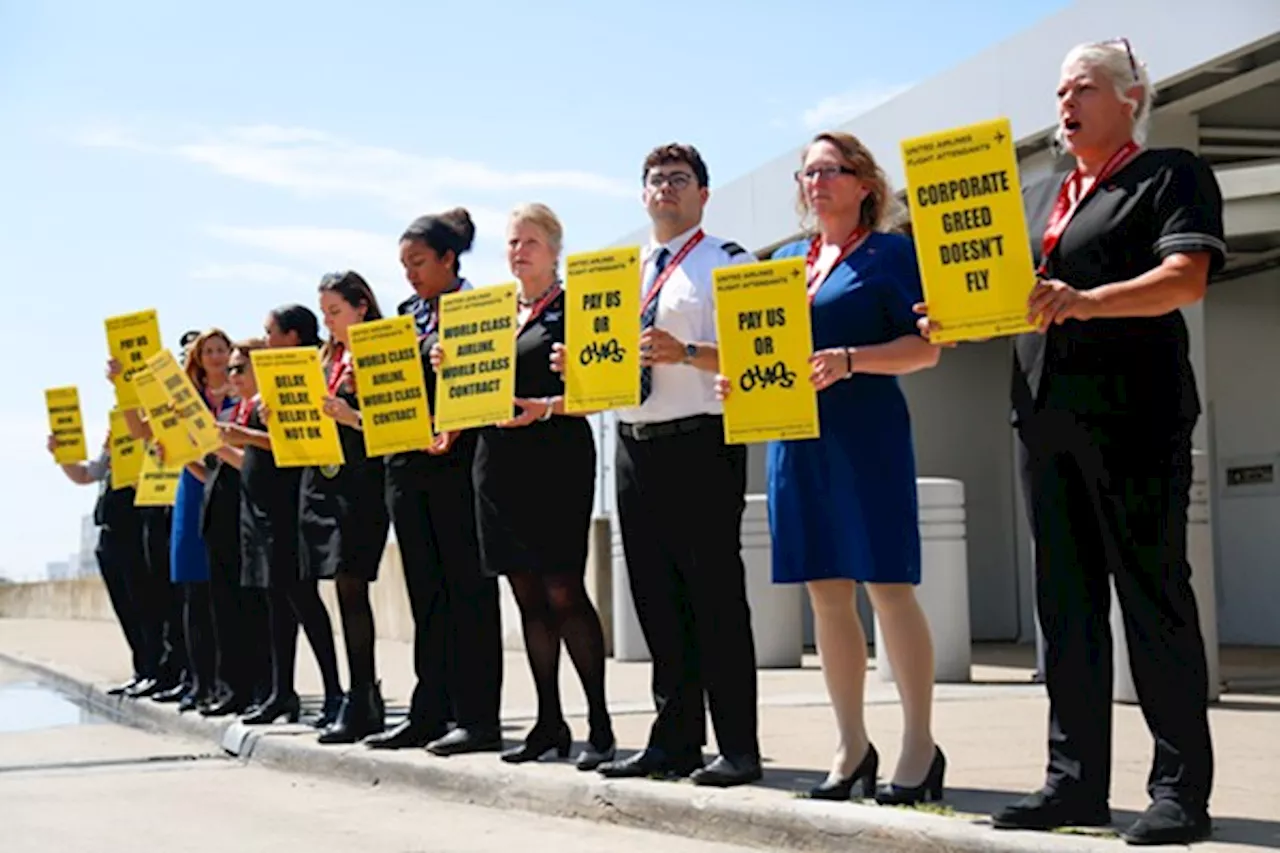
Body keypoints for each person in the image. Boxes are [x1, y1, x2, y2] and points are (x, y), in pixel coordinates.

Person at [917, 39, 1221, 846]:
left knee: (1153, 599)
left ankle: (1180, 788)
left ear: (1132, 95)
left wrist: (1086, 300)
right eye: (1059, 91)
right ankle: (1075, 782)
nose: (1065, 102)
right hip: (1042, 419)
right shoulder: (1040, 195)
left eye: (1082, 87)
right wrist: (954, 314)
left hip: (1136, 416)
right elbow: (1014, 299)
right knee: (1066, 607)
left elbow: (1184, 278)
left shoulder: (1168, 174)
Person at [719, 132, 944, 804]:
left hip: (866, 433)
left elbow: (925, 350)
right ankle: (851, 745)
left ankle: (919, 745)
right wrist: (741, 380)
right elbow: (758, 347)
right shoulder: (785, 260)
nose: (816, 182)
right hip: (796, 440)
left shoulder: (892, 253)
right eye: (808, 172)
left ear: (864, 183)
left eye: (831, 170)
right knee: (824, 591)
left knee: (887, 585)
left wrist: (850, 359)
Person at [586, 143, 761, 787]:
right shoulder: (620, 274)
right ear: (642, 195)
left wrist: (684, 350)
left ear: (703, 195)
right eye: (654, 180)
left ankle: (739, 747)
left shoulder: (727, 261)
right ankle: (674, 740)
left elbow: (756, 353)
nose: (665, 188)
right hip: (634, 443)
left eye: (678, 179)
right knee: (656, 600)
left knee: (714, 598)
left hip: (702, 444)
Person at [437, 204, 613, 768]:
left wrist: (549, 406)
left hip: (556, 455)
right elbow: (469, 389)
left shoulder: (576, 307)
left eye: (531, 241)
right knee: (527, 597)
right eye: (513, 242)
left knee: (564, 589)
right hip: (497, 462)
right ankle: (547, 722)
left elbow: (605, 388)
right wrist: (448, 364)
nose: (519, 251)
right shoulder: (487, 314)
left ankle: (600, 724)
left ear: (555, 247)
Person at [364, 209, 504, 756]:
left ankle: (478, 717)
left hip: (462, 466)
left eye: (418, 262)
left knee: (468, 589)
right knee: (427, 594)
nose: (410, 275)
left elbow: (489, 383)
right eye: (403, 265)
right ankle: (430, 710)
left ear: (449, 259)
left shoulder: (482, 310)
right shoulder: (406, 314)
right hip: (407, 467)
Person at [229, 313, 344, 729]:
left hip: (287, 504)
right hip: (257, 509)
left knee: (302, 600)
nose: (264, 338)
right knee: (276, 603)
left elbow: (290, 444)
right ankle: (282, 693)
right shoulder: (255, 399)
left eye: (269, 332)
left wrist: (245, 437)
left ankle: (335, 692)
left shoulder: (299, 377)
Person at [298, 272, 392, 744]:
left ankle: (362, 698)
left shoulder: (381, 348)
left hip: (363, 482)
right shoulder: (325, 357)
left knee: (353, 584)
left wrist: (350, 415)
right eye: (324, 314)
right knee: (338, 587)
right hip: (322, 483)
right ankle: (358, 695)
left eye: (335, 311)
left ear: (361, 306)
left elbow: (397, 420)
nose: (329, 322)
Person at [48, 432, 156, 695]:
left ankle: (155, 672)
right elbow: (87, 475)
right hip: (109, 530)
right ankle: (141, 670)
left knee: (144, 605)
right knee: (125, 607)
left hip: (137, 526)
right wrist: (63, 456)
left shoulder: (149, 433)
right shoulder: (116, 435)